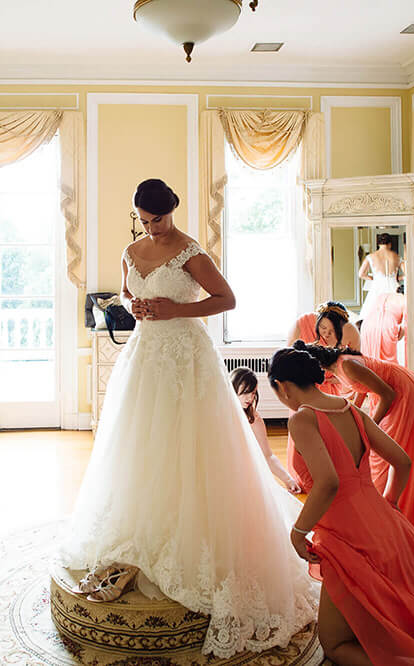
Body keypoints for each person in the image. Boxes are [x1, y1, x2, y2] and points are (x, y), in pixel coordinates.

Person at [58, 179, 317, 658]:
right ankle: (136, 535)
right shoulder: (130, 251)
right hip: (146, 356)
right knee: (141, 446)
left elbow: (226, 299)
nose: (151, 227)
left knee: (189, 446)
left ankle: (190, 537)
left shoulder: (191, 252)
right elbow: (124, 295)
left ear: (171, 211)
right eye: (144, 219)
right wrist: (135, 307)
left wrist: (178, 309)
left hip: (186, 357)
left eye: (157, 219)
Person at [268, 346, 414, 666]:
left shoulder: (303, 419)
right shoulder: (352, 411)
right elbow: (401, 462)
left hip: (345, 533)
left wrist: (298, 533)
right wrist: (389, 502)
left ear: (282, 386)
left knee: (334, 644)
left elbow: (328, 483)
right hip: (381, 521)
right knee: (383, 611)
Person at [293, 341, 414, 539]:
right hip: (391, 393)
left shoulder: (346, 365)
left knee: (389, 453)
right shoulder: (337, 369)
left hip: (402, 393)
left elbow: (387, 393)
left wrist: (367, 427)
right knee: (383, 454)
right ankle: (386, 515)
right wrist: (353, 413)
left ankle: (396, 514)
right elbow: (362, 389)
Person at [230, 367, 302, 494]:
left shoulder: (254, 420)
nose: (250, 398)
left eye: (253, 393)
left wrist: (288, 480)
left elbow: (268, 456)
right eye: (245, 392)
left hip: (245, 476)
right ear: (232, 390)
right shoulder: (219, 415)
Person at [358, 233, 403, 323]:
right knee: (395, 316)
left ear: (378, 244)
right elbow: (408, 274)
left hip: (377, 287)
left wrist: (372, 278)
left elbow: (361, 274)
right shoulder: (397, 257)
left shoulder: (371, 256)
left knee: (373, 317)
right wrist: (397, 278)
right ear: (390, 244)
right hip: (393, 287)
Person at [359, 288, 407, 365]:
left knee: (369, 357)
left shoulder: (383, 295)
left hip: (368, 323)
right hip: (387, 325)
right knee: (388, 361)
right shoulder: (406, 300)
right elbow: (405, 327)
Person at [288, 301, 361, 351]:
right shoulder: (303, 322)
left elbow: (357, 360)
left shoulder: (350, 330)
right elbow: (289, 355)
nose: (326, 334)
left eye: (332, 331)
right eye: (323, 327)